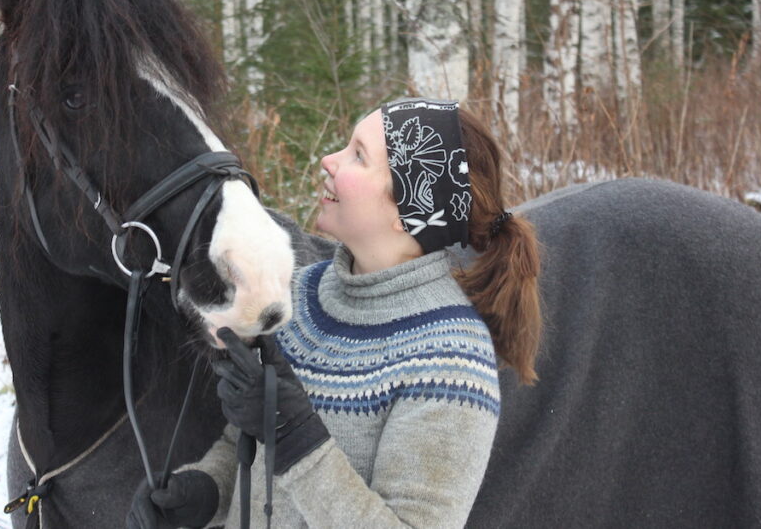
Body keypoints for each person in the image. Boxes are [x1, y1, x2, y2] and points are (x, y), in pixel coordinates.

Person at [128, 98, 542, 528]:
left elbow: (292, 443)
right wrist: (204, 492)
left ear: (409, 209)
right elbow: (252, 443)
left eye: (358, 155)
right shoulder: (302, 296)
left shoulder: (451, 362)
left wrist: (296, 436)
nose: (329, 160)